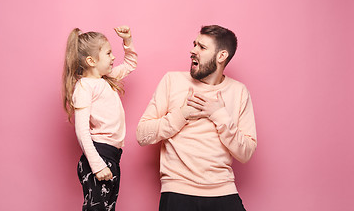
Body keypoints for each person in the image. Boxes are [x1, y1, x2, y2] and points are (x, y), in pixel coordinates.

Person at [137, 25, 257, 211]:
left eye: (202, 47)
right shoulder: (172, 81)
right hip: (177, 191)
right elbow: (142, 135)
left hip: (222, 190)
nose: (192, 51)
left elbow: (246, 153)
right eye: (194, 45)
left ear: (221, 56)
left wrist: (219, 115)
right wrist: (182, 114)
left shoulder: (239, 92)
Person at [62, 26, 137, 211]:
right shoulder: (85, 87)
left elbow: (130, 64)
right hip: (99, 156)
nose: (113, 57)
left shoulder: (107, 79)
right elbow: (81, 131)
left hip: (113, 156)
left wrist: (127, 40)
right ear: (91, 60)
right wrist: (97, 165)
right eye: (108, 53)